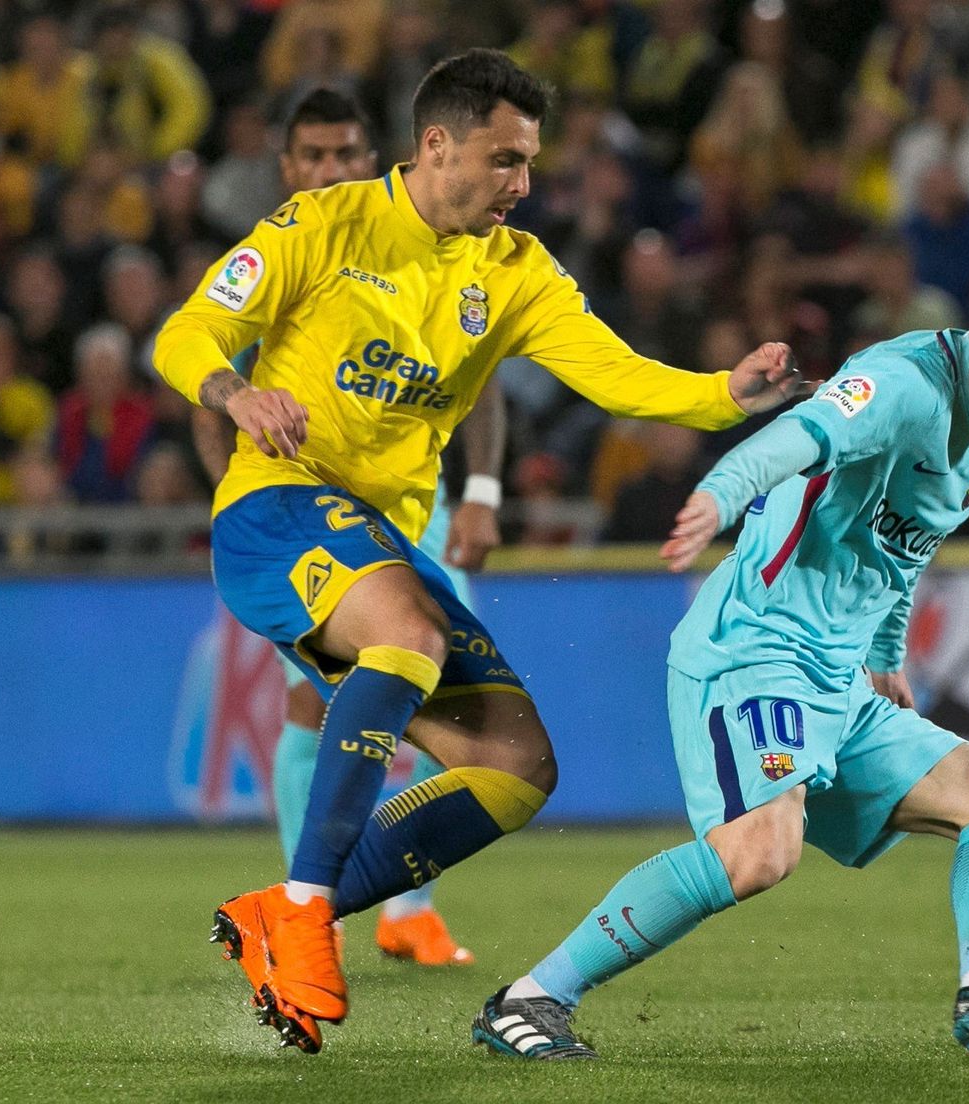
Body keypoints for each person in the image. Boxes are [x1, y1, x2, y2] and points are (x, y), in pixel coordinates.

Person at [153, 49, 803, 1054]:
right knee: (404, 637)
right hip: (276, 511)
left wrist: (727, 395)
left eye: (529, 162)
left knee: (514, 769)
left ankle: (285, 915)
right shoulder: (321, 227)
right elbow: (186, 332)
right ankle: (301, 906)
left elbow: (617, 376)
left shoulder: (513, 271)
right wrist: (237, 393)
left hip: (382, 541)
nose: (523, 185)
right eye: (504, 160)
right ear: (436, 145)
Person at [472, 245, 969, 1060]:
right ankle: (531, 999)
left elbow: (909, 541)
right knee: (761, 851)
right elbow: (792, 440)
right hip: (753, 650)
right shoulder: (902, 383)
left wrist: (888, 649)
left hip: (838, 677)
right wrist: (720, 495)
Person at [190, 87, 493, 971]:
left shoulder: (442, 248)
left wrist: (483, 486)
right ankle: (307, 907)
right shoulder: (283, 257)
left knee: (463, 710)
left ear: (379, 157)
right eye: (313, 157)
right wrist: (247, 502)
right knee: (317, 702)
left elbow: (487, 376)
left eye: (346, 153)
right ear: (287, 168)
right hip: (313, 518)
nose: (331, 169)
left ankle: (407, 911)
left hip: (420, 513)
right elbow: (207, 391)